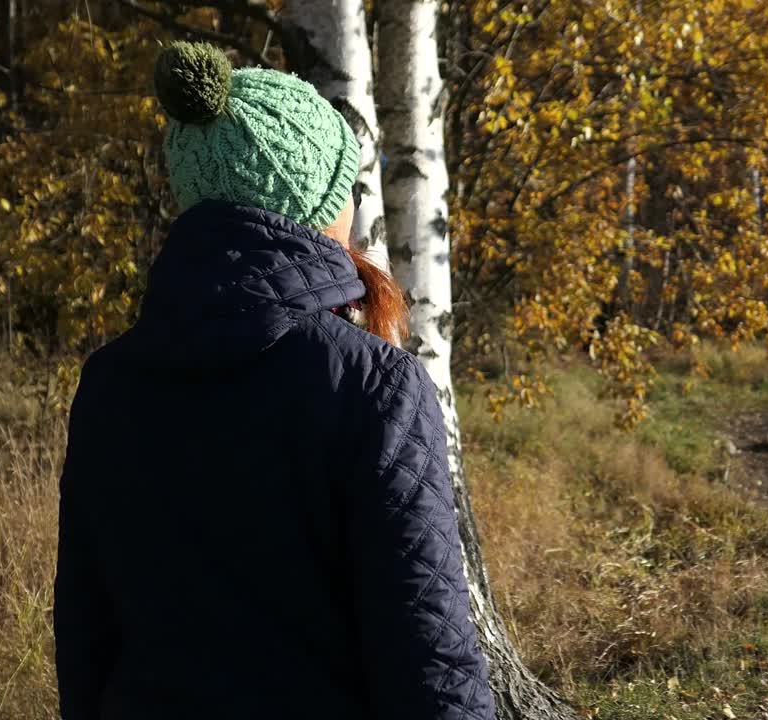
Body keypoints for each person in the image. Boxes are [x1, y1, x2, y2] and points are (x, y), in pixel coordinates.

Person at [52, 41, 497, 720]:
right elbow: (427, 656)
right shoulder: (374, 386)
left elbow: (86, 639)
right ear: (318, 202)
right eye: (346, 186)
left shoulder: (110, 383)